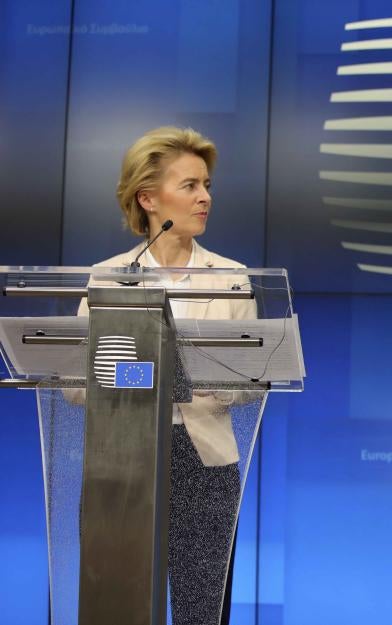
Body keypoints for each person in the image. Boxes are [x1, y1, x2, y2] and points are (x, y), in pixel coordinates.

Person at [80, 126, 256, 625]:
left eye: (207, 186)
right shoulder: (108, 276)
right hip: (121, 464)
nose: (205, 198)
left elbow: (246, 382)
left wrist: (168, 376)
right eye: (190, 186)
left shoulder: (232, 276)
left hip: (205, 461)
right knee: (115, 608)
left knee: (201, 612)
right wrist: (159, 374)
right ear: (148, 198)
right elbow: (75, 384)